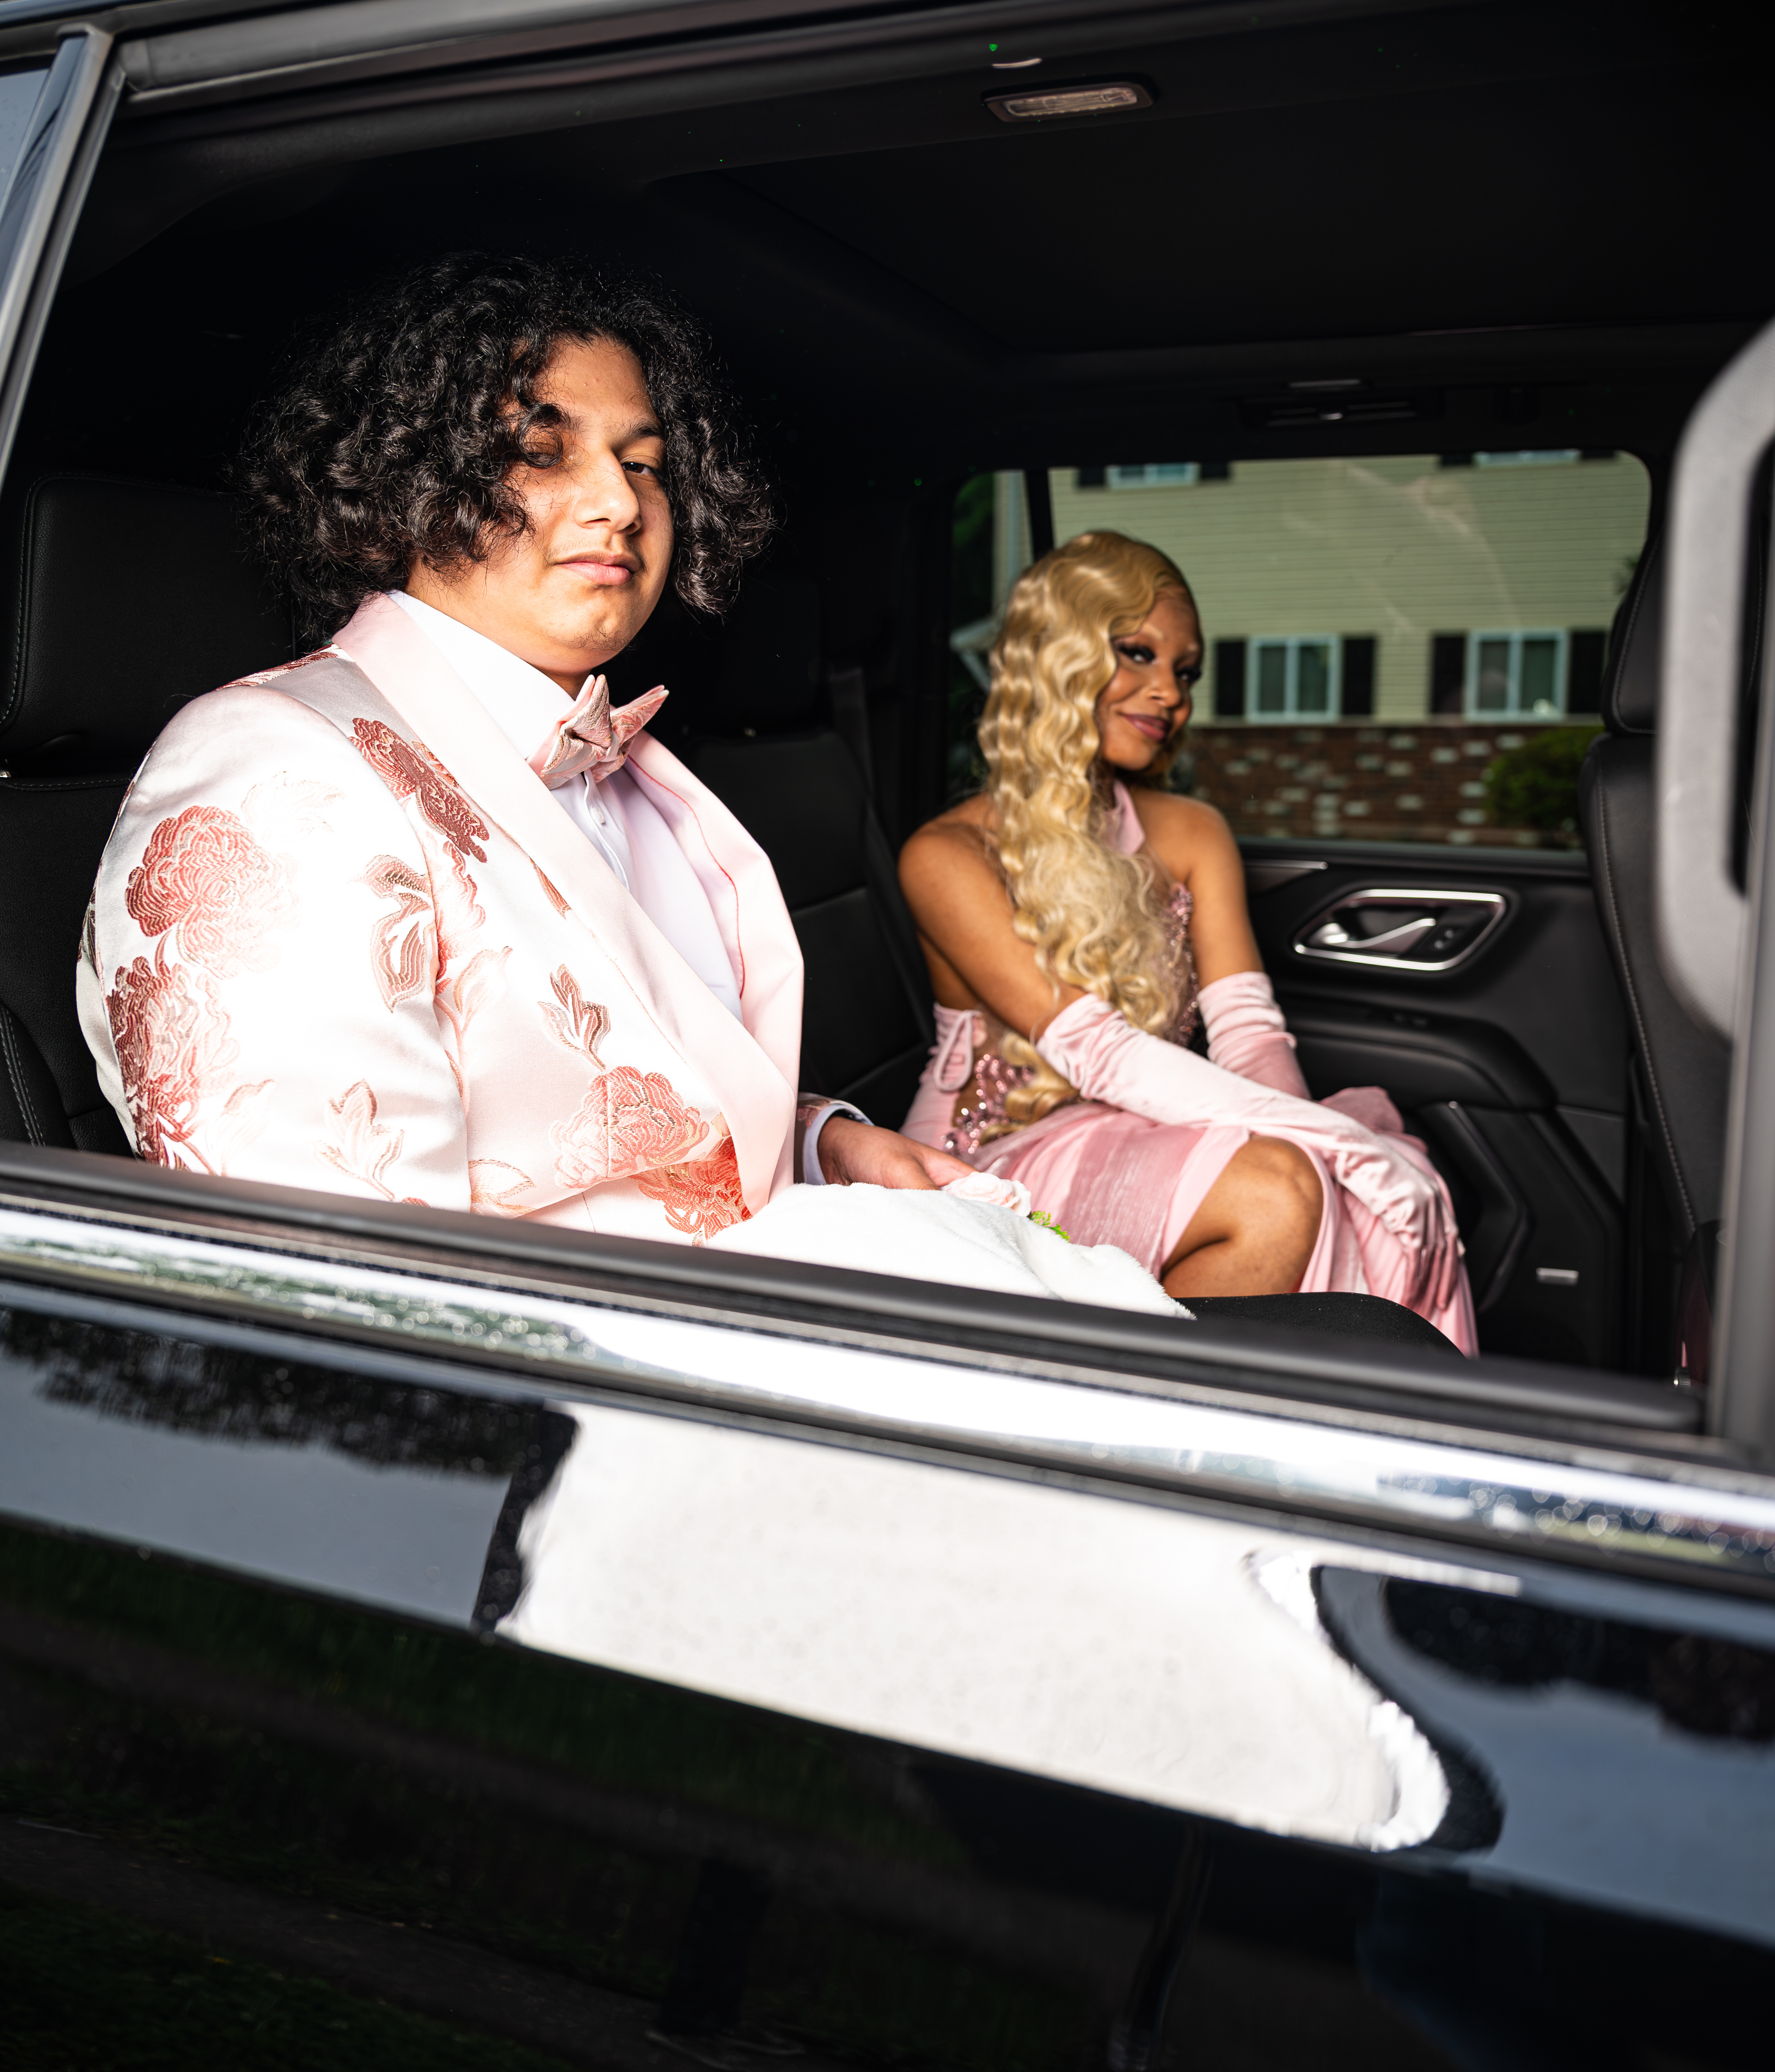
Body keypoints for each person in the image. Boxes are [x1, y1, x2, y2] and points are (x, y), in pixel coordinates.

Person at [77, 254, 957, 1233]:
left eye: (643, 464)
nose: (621, 503)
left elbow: (626, 1117)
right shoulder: (274, 770)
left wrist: (820, 1145)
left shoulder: (629, 772)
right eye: (543, 451)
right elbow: (333, 1281)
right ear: (412, 480)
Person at [898, 529, 1475, 1346]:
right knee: (1278, 1185)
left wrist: (1327, 1151)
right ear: (1054, 658)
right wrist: (1333, 1141)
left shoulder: (1194, 832)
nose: (1169, 692)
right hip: (987, 1163)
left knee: (1332, 1177)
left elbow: (1247, 1034)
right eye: (1137, 654)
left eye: (1187, 670)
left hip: (1143, 1133)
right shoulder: (947, 855)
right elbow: (1097, 1053)